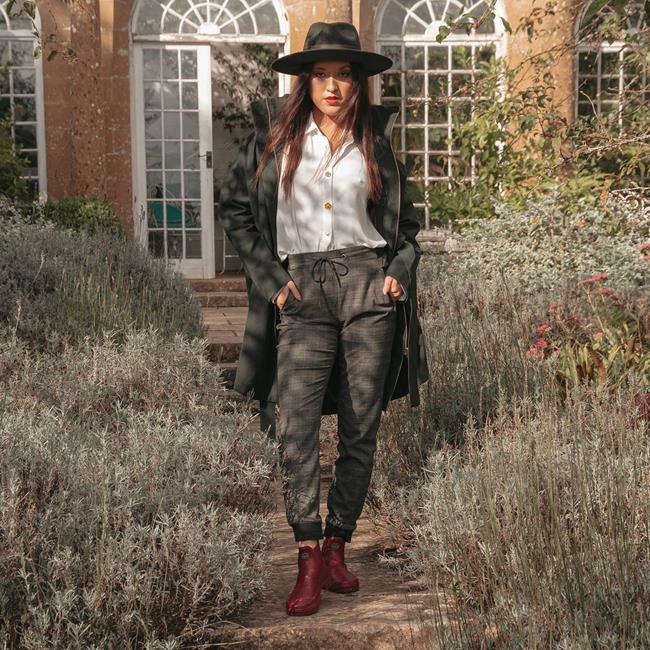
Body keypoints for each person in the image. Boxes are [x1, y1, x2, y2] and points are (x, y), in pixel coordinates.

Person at [217, 21, 429, 617]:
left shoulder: (376, 140)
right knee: (296, 425)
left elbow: (409, 225)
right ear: (305, 80)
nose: (332, 86)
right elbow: (235, 207)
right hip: (301, 290)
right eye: (320, 74)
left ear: (358, 82)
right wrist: (272, 281)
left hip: (368, 288)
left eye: (343, 75)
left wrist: (398, 270)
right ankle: (307, 553)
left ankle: (338, 546)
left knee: (361, 425)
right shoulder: (273, 136)